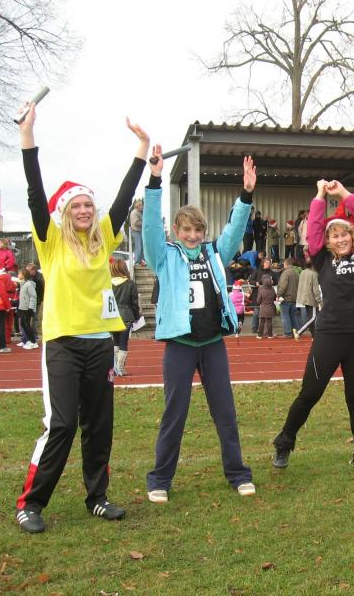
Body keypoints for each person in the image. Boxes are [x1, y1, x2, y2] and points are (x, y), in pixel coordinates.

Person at [14, 104, 146, 533]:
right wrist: (28, 136)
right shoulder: (50, 240)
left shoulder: (103, 237)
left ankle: (97, 497)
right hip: (62, 343)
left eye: (89, 204)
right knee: (62, 424)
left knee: (99, 424)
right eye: (78, 206)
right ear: (66, 212)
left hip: (99, 344)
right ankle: (31, 504)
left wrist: (142, 149)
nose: (85, 210)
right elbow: (35, 192)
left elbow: (124, 198)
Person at [144, 148, 256, 503]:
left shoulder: (214, 253)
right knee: (174, 415)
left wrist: (246, 194)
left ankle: (238, 473)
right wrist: (155, 182)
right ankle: (160, 479)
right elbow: (150, 228)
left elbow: (234, 230)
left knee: (225, 412)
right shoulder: (164, 257)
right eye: (186, 229)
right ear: (176, 231)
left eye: (198, 229)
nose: (193, 235)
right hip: (180, 346)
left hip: (212, 344)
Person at [272, 180, 354, 477]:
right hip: (330, 336)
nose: (340, 239)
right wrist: (320, 196)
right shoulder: (321, 259)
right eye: (335, 235)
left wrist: (344, 194)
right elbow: (314, 230)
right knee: (310, 393)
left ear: (352, 235)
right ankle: (284, 441)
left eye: (344, 233)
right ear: (328, 241)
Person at [110, 258, 140, 376]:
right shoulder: (130, 284)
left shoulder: (108, 283)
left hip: (112, 316)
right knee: (123, 343)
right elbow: (134, 303)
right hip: (126, 315)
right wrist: (136, 316)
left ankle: (114, 368)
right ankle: (120, 369)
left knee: (115, 342)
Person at [293, 258, 321, 340]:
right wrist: (319, 301)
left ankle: (314, 336)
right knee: (313, 318)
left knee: (311, 318)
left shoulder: (302, 272)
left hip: (303, 297)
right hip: (310, 298)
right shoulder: (314, 274)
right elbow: (316, 289)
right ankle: (299, 332)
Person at [277, 257, 301, 338]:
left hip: (286, 298)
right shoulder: (296, 273)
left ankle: (288, 333)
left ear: (286, 264)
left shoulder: (286, 273)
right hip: (294, 297)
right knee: (293, 316)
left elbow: (283, 285)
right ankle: (296, 332)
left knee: (285, 316)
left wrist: (279, 294)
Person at [17, 268, 39, 349]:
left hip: (27, 308)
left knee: (26, 324)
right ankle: (30, 340)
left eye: (19, 274)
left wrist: (31, 307)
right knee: (23, 323)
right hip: (22, 307)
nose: (18, 275)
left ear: (23, 275)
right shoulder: (22, 284)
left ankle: (33, 341)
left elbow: (33, 296)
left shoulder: (29, 284)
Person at [129, 199, 145, 266]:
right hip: (136, 231)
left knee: (143, 246)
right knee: (139, 246)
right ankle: (137, 261)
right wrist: (144, 223)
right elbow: (136, 223)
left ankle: (142, 260)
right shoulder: (134, 213)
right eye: (141, 205)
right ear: (137, 206)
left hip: (140, 231)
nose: (142, 206)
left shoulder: (141, 212)